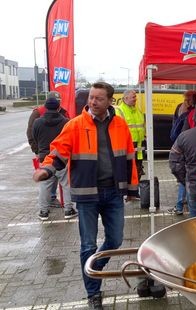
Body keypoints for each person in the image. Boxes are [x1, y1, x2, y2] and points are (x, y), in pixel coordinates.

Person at [32, 82, 139, 309]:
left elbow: (129, 156)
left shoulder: (120, 124)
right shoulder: (75, 125)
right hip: (86, 194)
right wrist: (47, 169)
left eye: (98, 98)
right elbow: (58, 150)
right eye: (91, 97)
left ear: (110, 100)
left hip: (112, 193)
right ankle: (93, 292)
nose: (92, 102)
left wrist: (131, 189)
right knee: (88, 245)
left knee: (115, 240)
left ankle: (94, 269)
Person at [32, 96, 77, 220]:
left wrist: (40, 150)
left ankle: (43, 211)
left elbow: (34, 137)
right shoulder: (66, 122)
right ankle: (68, 210)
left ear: (45, 107)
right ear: (58, 107)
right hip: (61, 157)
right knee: (66, 184)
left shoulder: (37, 122)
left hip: (45, 158)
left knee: (44, 185)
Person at [27, 91, 68, 207]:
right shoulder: (37, 113)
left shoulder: (64, 113)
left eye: (60, 101)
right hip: (47, 154)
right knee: (51, 181)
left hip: (60, 155)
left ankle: (47, 206)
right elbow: (30, 134)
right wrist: (36, 150)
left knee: (50, 182)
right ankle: (51, 203)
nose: (59, 103)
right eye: (57, 101)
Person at [168, 90, 196, 215]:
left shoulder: (190, 111)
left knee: (186, 178)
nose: (187, 101)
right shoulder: (183, 110)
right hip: (184, 147)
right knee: (185, 177)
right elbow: (175, 128)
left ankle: (181, 205)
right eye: (186, 98)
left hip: (187, 147)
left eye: (188, 98)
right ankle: (181, 205)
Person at [114, 89, 145, 181]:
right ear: (126, 98)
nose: (136, 99)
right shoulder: (119, 111)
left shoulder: (137, 110)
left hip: (139, 147)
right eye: (133, 97)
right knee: (128, 172)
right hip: (128, 145)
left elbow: (142, 126)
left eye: (135, 96)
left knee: (137, 171)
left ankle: (135, 191)